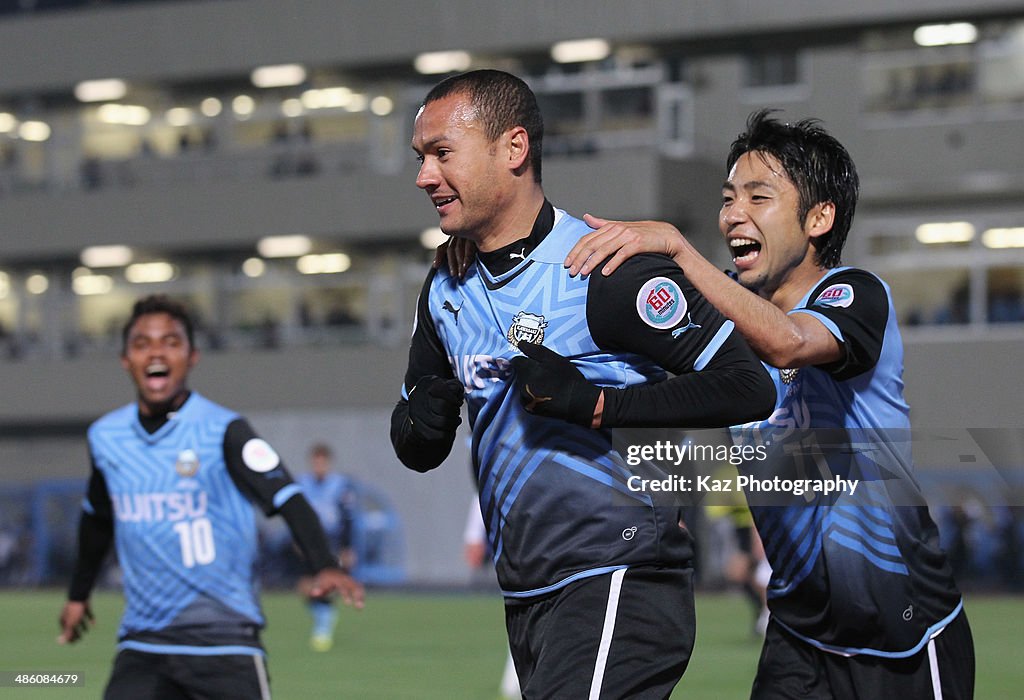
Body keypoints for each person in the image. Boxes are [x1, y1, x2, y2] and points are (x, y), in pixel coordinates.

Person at [562, 110, 974, 699]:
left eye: (760, 196)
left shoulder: (855, 293)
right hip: (798, 636)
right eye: (729, 197)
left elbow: (789, 342)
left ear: (818, 217)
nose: (734, 214)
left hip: (904, 636)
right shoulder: (717, 314)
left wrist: (679, 251)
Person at [390, 69, 775, 698]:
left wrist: (601, 404)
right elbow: (415, 433)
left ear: (513, 149)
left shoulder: (604, 268)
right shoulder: (444, 290)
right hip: (527, 593)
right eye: (420, 157)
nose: (423, 176)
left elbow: (746, 384)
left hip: (622, 574)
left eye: (441, 153)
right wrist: (420, 428)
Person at [58, 295, 364, 700]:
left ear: (192, 355)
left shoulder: (224, 431)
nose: (156, 352)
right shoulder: (105, 437)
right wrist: (79, 595)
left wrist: (324, 563)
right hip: (143, 642)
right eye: (142, 343)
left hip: (225, 641)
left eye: (170, 341)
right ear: (125, 359)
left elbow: (288, 496)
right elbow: (97, 519)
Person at [295, 442, 358, 651]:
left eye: (322, 462)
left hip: (331, 541)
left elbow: (347, 518)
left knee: (325, 583)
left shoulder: (339, 485)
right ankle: (323, 618)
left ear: (328, 463)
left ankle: (323, 625)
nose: (319, 466)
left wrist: (347, 547)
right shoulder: (303, 484)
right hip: (309, 540)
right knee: (305, 585)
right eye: (316, 462)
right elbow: (296, 515)